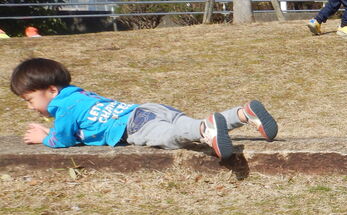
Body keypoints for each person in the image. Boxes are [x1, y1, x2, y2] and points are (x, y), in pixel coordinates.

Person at [10, 57, 277, 161]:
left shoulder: (63, 108)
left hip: (133, 126)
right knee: (177, 124)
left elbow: (62, 140)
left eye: (30, 99)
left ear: (52, 91)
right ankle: (243, 114)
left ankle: (203, 129)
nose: (31, 107)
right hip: (146, 109)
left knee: (169, 137)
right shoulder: (79, 94)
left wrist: (43, 136)